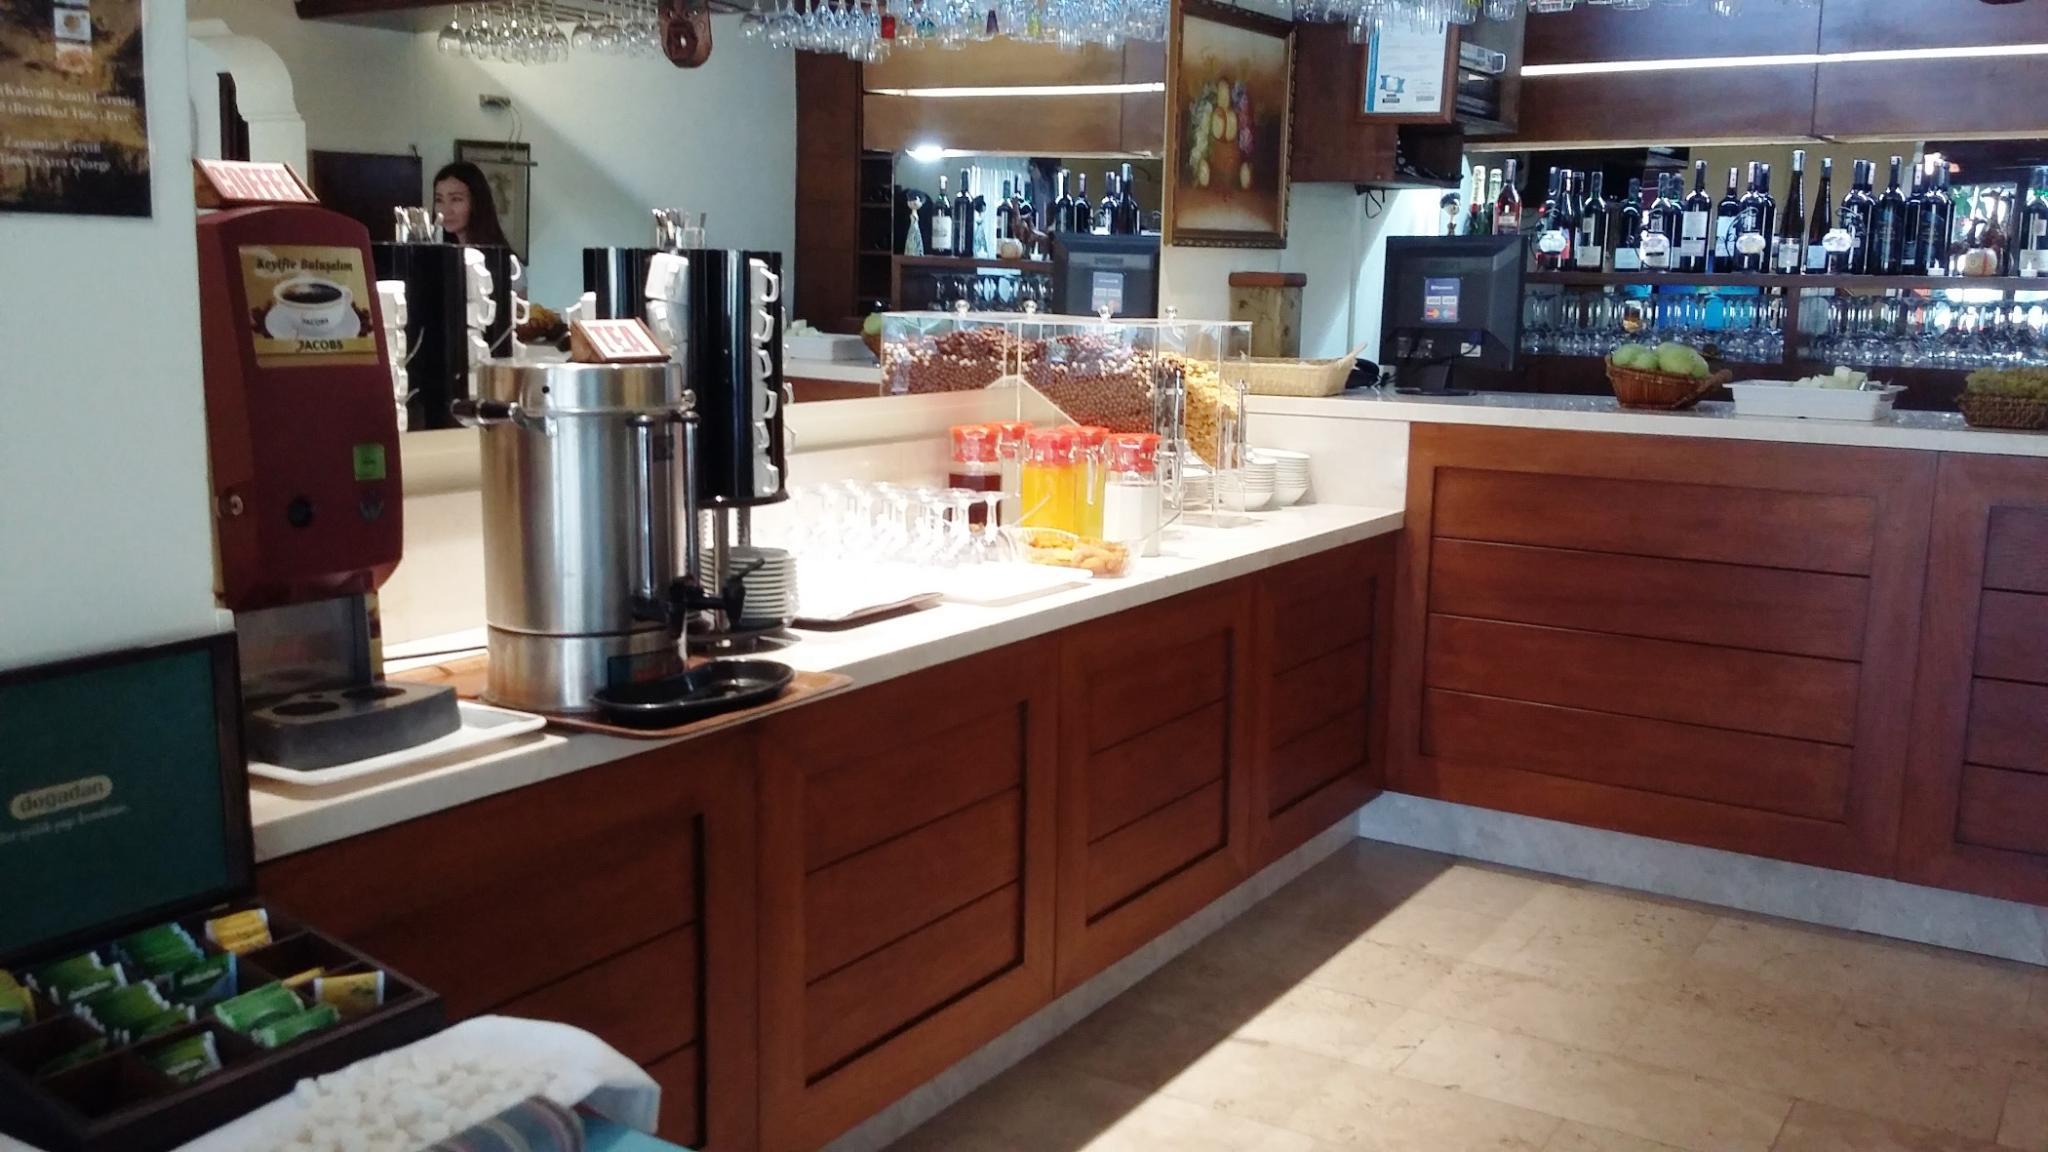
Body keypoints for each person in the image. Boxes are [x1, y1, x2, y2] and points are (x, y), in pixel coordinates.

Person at [431, 161, 510, 248]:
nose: (445, 210)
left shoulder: (496, 254)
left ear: (476, 202)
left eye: (456, 199)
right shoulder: (443, 251)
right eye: (439, 200)